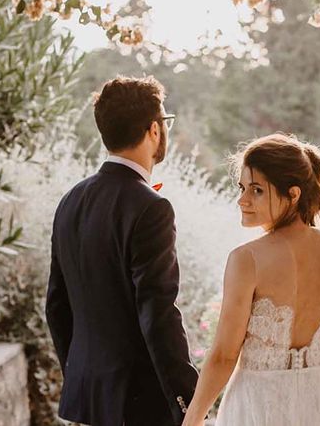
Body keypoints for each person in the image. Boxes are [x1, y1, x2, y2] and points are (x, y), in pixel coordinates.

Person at [182, 132, 320, 426]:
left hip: (258, 403)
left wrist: (192, 419)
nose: (242, 200)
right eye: (242, 187)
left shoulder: (247, 259)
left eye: (256, 190)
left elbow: (223, 355)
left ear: (293, 194)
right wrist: (311, 377)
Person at [45, 75, 198, 426]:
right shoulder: (151, 207)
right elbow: (157, 312)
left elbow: (57, 306)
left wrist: (82, 379)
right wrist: (188, 400)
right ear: (154, 130)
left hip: (87, 400)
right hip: (138, 405)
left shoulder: (71, 201)